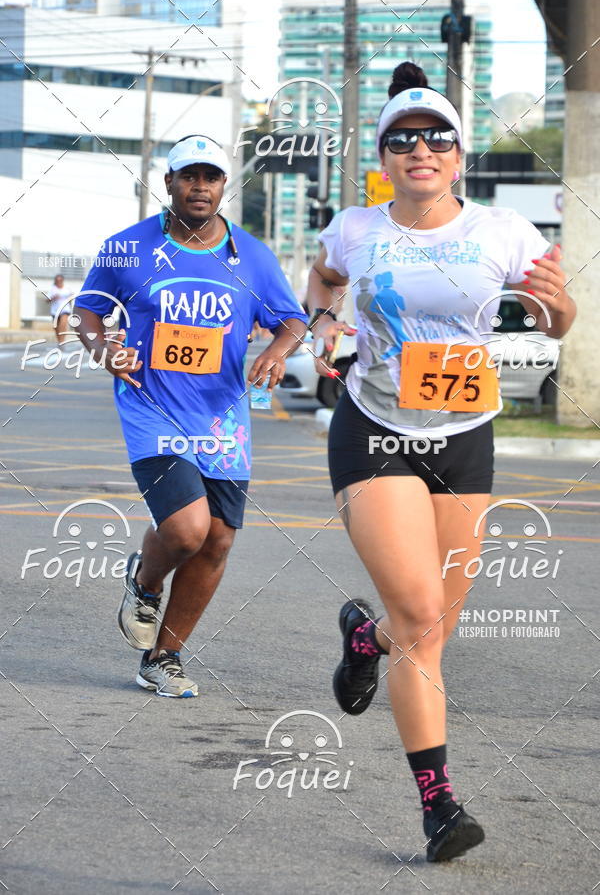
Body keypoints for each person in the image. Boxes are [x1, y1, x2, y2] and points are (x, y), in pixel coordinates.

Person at [307, 62, 575, 861]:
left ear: (459, 158)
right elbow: (324, 278)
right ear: (384, 158)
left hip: (466, 438)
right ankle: (440, 806)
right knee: (422, 614)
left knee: (429, 629)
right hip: (376, 430)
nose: (420, 150)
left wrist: (558, 309)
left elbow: (554, 322)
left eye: (436, 139)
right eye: (403, 140)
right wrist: (324, 321)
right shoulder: (357, 229)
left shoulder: (503, 233)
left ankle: (366, 641)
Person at [75, 134, 307, 697]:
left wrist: (276, 352)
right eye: (189, 176)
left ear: (225, 186)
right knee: (185, 530)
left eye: (211, 177)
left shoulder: (251, 255)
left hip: (223, 419)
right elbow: (86, 312)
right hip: (152, 409)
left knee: (219, 540)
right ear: (169, 182)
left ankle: (164, 658)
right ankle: (147, 581)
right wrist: (105, 349)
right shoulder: (128, 248)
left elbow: (292, 321)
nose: (200, 186)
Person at [47, 274, 74, 346]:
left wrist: (71, 297)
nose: (59, 282)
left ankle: (62, 341)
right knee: (56, 327)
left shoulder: (67, 288)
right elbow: (47, 300)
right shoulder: (52, 289)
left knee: (63, 324)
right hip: (55, 311)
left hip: (65, 310)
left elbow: (72, 297)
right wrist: (53, 298)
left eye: (60, 280)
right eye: (57, 280)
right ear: (55, 281)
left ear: (62, 280)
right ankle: (59, 340)